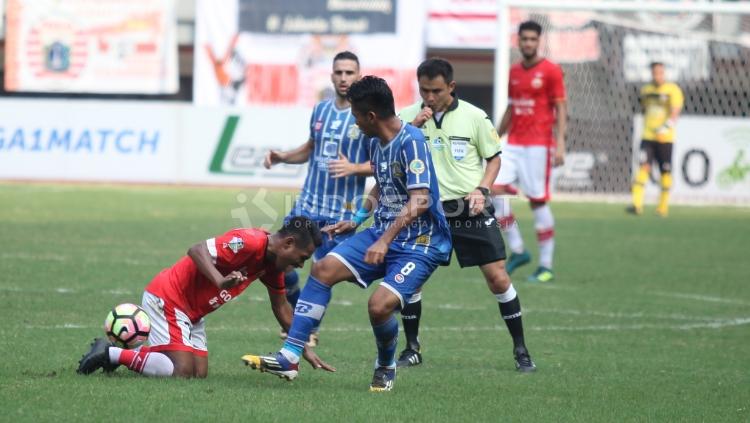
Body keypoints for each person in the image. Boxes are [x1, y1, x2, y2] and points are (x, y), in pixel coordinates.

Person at [241, 76, 452, 392]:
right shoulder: (374, 141)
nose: (353, 121)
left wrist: (384, 240)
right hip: (381, 230)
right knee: (323, 268)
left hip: (419, 244)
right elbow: (383, 183)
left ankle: (385, 364)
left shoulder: (412, 142)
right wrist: (357, 219)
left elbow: (420, 199)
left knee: (379, 306)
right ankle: (290, 355)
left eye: (355, 115)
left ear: (370, 117)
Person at [397, 58, 535, 371]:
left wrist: (483, 189)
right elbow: (390, 152)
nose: (429, 97)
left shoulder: (475, 117)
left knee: (498, 277)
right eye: (424, 90)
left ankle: (521, 350)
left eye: (436, 90)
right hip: (426, 210)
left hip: (468, 208)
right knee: (412, 280)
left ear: (451, 87)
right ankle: (412, 348)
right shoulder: (406, 116)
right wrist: (413, 126)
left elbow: (494, 159)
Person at [76, 217, 334, 378]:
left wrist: (302, 348)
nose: (301, 265)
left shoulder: (272, 266)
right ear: (288, 243)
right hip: (169, 297)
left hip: (192, 313)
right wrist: (220, 281)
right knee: (180, 372)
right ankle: (111, 353)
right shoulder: (249, 242)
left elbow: (281, 307)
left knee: (198, 374)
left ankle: (139, 354)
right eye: (302, 257)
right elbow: (196, 250)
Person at [263, 51, 372, 345]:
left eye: (350, 73)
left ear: (359, 75)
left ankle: (306, 330)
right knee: (279, 262)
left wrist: (354, 167)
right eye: (339, 72)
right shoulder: (320, 110)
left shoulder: (366, 116)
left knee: (320, 270)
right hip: (306, 205)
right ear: (332, 75)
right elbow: (311, 148)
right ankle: (299, 319)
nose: (344, 78)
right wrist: (284, 156)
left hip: (340, 212)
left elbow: (380, 163)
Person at [492, 20, 567, 283]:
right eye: (524, 39)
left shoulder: (551, 71)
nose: (528, 43)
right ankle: (519, 250)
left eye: (533, 39)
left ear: (539, 41)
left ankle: (545, 265)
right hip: (513, 143)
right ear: (519, 40)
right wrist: (494, 139)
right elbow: (511, 109)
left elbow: (561, 109)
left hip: (538, 145)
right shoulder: (514, 72)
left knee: (537, 201)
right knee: (492, 191)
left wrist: (560, 144)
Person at [627, 61, 684, 217]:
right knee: (643, 168)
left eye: (660, 72)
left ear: (664, 73)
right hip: (648, 136)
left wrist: (666, 127)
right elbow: (644, 108)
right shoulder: (646, 90)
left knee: (665, 171)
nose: (657, 76)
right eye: (655, 72)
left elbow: (675, 111)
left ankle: (662, 207)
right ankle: (636, 204)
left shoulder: (673, 90)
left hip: (665, 138)